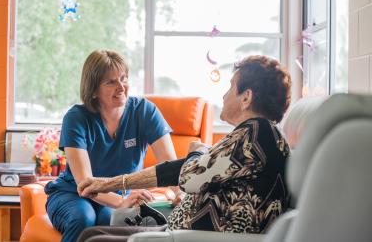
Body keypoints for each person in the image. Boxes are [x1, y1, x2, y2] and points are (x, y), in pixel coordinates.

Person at [76, 55, 292, 242]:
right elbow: (197, 172)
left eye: (230, 87)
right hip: (187, 231)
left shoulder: (256, 133)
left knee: (94, 240)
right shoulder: (254, 135)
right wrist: (199, 155)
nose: (224, 96)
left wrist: (197, 152)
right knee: (90, 235)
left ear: (246, 97)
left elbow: (188, 175)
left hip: (197, 237)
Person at [44, 50, 179, 242]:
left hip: (118, 193)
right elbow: (85, 183)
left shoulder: (145, 111)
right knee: (84, 219)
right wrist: (120, 202)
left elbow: (171, 167)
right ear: (93, 90)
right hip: (72, 194)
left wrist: (181, 195)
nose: (121, 87)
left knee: (111, 219)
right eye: (111, 82)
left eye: (123, 78)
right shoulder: (76, 118)